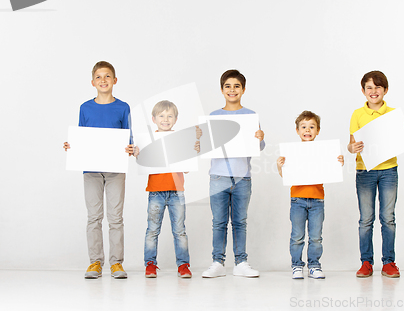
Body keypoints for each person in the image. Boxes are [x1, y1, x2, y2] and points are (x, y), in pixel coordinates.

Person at [63, 61, 137, 279]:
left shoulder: (123, 107)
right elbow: (81, 136)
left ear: (114, 80)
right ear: (93, 82)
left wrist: (130, 147)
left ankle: (116, 264)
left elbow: (128, 135)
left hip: (115, 169)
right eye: (98, 77)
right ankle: (95, 262)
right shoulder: (85, 108)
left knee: (115, 218)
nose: (103, 80)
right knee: (94, 216)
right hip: (91, 170)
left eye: (107, 76)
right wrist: (71, 146)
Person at [347, 70, 404, 278]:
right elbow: (350, 145)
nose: (373, 91)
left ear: (385, 90)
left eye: (378, 87)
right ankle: (366, 262)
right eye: (369, 87)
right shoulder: (357, 114)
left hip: (388, 170)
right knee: (366, 219)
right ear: (363, 91)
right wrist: (353, 148)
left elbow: (400, 139)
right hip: (364, 171)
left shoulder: (394, 114)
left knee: (388, 218)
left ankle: (389, 262)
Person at [202, 69, 265, 278]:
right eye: (228, 86)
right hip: (218, 176)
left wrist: (260, 137)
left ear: (243, 90)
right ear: (221, 90)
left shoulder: (250, 116)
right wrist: (200, 140)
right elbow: (205, 146)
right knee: (218, 222)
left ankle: (241, 262)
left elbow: (259, 147)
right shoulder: (214, 116)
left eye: (236, 86)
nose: (232, 90)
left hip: (242, 177)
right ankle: (217, 262)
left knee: (240, 222)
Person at [277, 111, 344, 279]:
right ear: (298, 130)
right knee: (297, 236)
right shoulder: (292, 152)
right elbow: (286, 176)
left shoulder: (323, 152)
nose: (308, 130)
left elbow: (331, 171)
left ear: (318, 130)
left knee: (315, 237)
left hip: (317, 200)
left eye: (312, 127)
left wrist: (338, 164)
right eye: (304, 127)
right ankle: (297, 265)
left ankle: (314, 265)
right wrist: (280, 166)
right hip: (297, 199)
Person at [142, 100, 201, 279]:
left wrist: (194, 150)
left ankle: (183, 265)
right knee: (152, 230)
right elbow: (142, 162)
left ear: (175, 119)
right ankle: (150, 264)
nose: (165, 119)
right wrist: (138, 152)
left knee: (179, 230)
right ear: (154, 119)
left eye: (169, 116)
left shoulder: (182, 140)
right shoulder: (147, 141)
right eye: (161, 116)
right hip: (155, 192)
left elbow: (187, 168)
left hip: (177, 192)